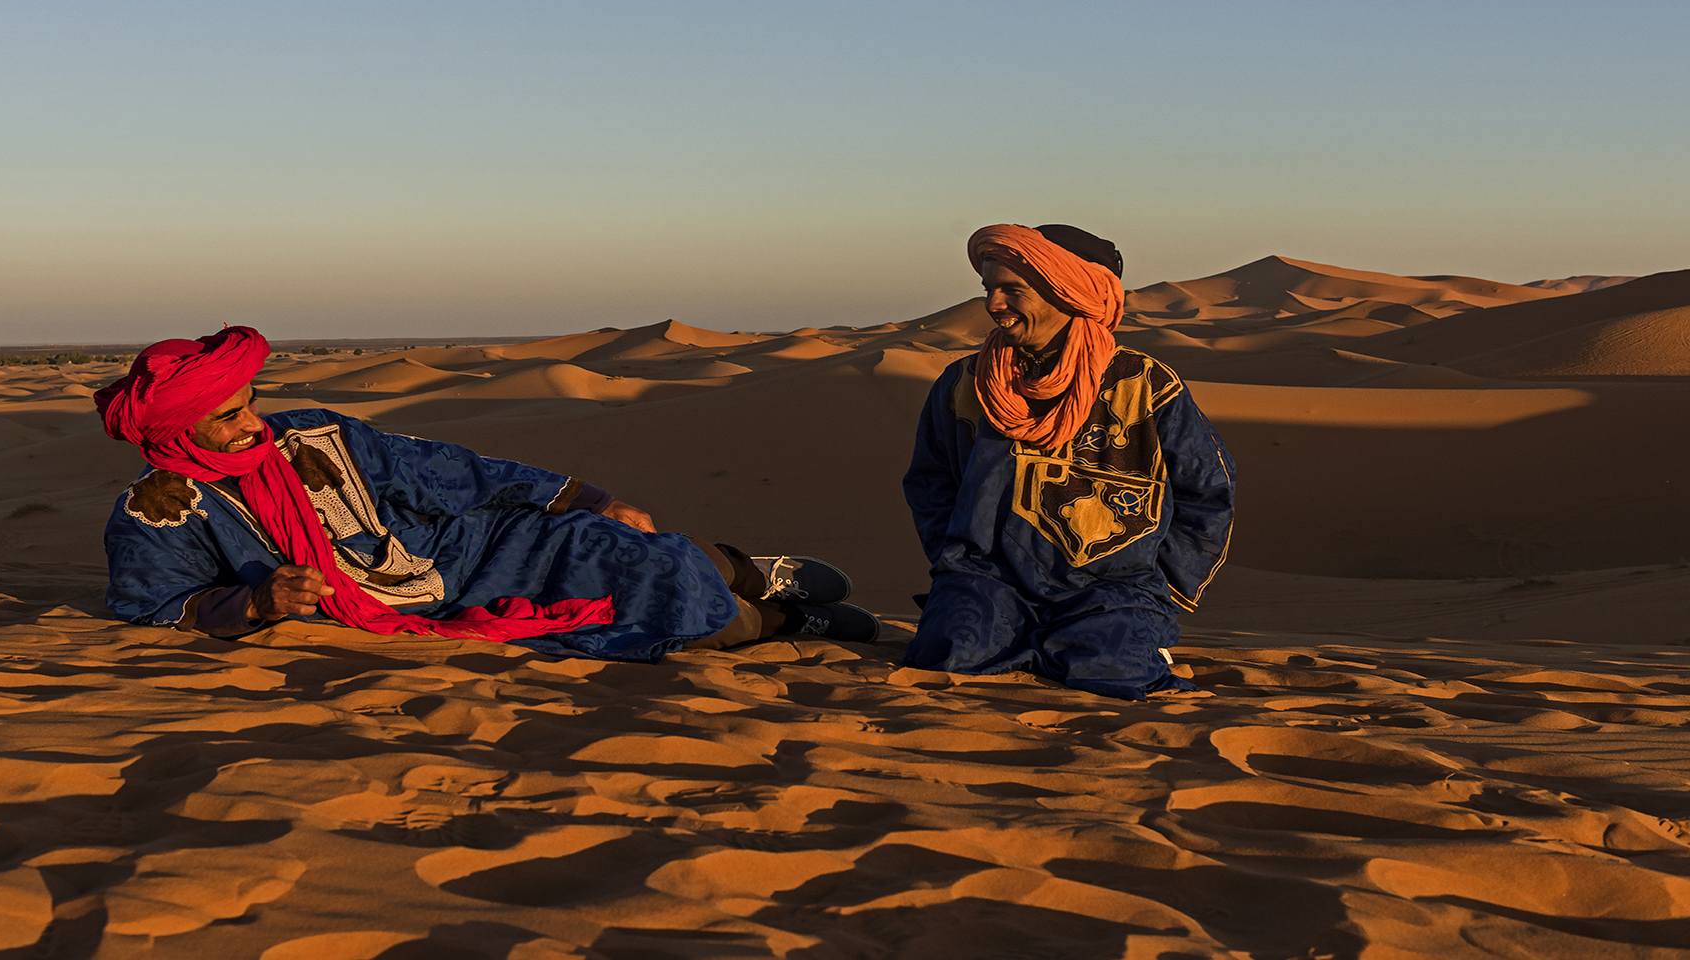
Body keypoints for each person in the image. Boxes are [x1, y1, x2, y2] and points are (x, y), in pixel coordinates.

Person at [96, 325, 877, 659]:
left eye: (249, 404)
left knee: (626, 545)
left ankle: (752, 569)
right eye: (227, 418)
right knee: (668, 616)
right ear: (177, 428)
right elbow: (160, 604)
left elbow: (446, 470)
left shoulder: (313, 432)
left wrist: (587, 498)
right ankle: (782, 623)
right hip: (409, 613)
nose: (251, 425)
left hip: (465, 551)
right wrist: (255, 604)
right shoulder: (160, 506)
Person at [902, 224, 1235, 698]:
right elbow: (930, 481)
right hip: (988, 580)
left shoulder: (1145, 385)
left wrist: (1165, 586)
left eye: (1012, 290)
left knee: (1112, 673)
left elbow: (1207, 491)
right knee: (950, 657)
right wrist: (954, 558)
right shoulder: (965, 383)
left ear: (1070, 293)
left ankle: (1135, 638)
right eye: (988, 289)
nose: (993, 304)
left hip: (1110, 585)